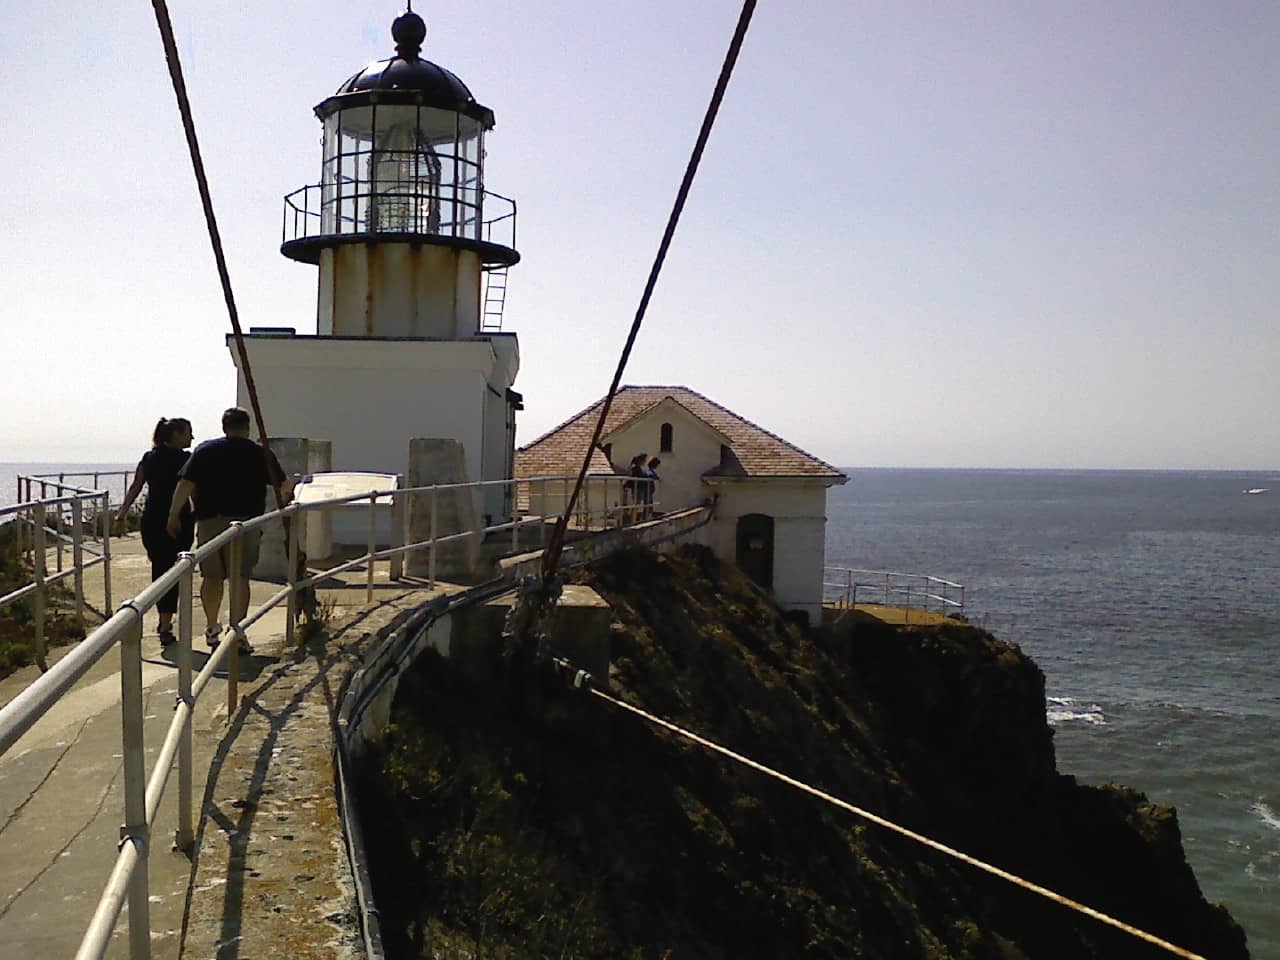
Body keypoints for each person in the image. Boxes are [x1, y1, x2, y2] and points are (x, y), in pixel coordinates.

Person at [167, 407, 288, 652]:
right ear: (247, 427)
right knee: (240, 577)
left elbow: (186, 484)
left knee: (211, 577)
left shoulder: (205, 450)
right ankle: (237, 632)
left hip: (210, 521)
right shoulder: (259, 453)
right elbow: (283, 486)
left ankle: (212, 627)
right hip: (246, 523)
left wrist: (173, 515)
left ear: (224, 427)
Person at [115, 418, 194, 646]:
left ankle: (165, 621)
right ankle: (166, 623)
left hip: (151, 520)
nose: (191, 438)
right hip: (180, 519)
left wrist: (122, 514)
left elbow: (136, 487)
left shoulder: (149, 457)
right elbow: (194, 491)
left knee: (160, 568)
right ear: (177, 435)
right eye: (188, 433)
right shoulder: (186, 459)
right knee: (176, 570)